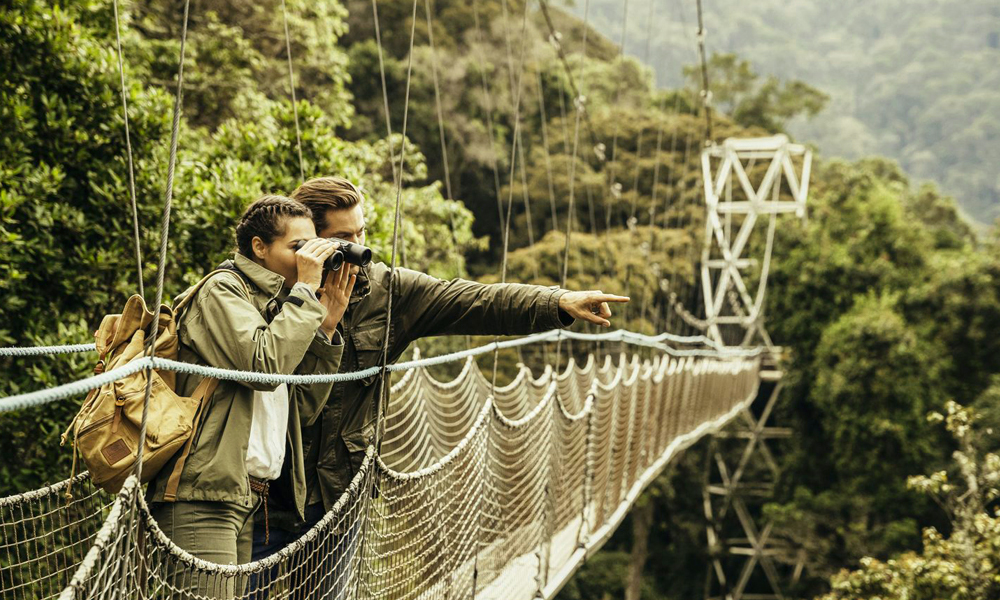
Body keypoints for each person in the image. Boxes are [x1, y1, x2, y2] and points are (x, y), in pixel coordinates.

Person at [251, 177, 628, 595]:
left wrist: (556, 303)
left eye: (361, 232)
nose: (358, 247)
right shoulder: (265, 291)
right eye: (343, 238)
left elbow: (475, 301)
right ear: (307, 241)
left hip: (340, 495)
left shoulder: (388, 292)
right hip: (266, 496)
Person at [146, 195, 355, 590]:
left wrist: (326, 329)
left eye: (313, 248)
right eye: (297, 248)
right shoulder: (222, 290)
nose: (307, 259)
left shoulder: (280, 306)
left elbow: (301, 409)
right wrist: (308, 295)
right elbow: (262, 367)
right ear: (259, 247)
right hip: (203, 495)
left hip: (249, 497)